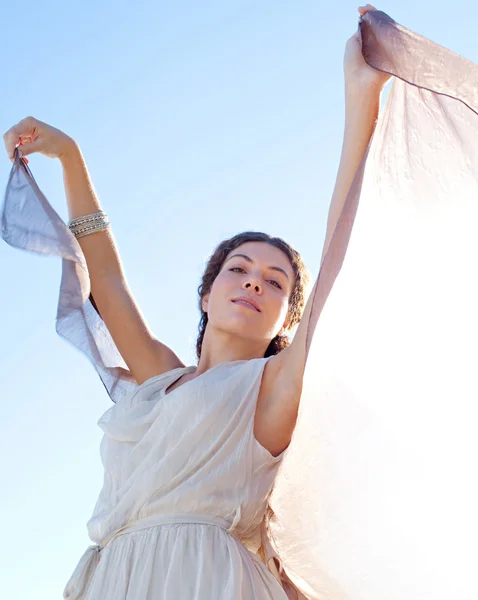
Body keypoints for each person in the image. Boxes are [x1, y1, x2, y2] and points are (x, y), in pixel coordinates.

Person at [3, 5, 389, 599]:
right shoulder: (158, 380)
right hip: (112, 580)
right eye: (239, 269)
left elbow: (340, 252)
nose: (254, 282)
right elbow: (104, 276)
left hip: (207, 580)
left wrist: (360, 99)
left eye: (275, 281)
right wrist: (70, 156)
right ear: (206, 294)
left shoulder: (272, 389)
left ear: (290, 316)